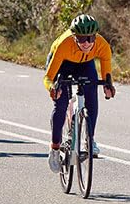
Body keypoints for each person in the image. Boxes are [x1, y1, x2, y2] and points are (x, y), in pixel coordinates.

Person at [43, 13, 115, 171]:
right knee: (61, 105)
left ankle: (89, 139)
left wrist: (108, 85)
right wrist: (52, 88)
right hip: (62, 65)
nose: (87, 43)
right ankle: (55, 148)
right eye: (82, 39)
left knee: (92, 97)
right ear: (74, 37)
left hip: (85, 64)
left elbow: (107, 75)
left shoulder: (102, 45)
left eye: (90, 38)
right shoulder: (64, 44)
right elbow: (48, 78)